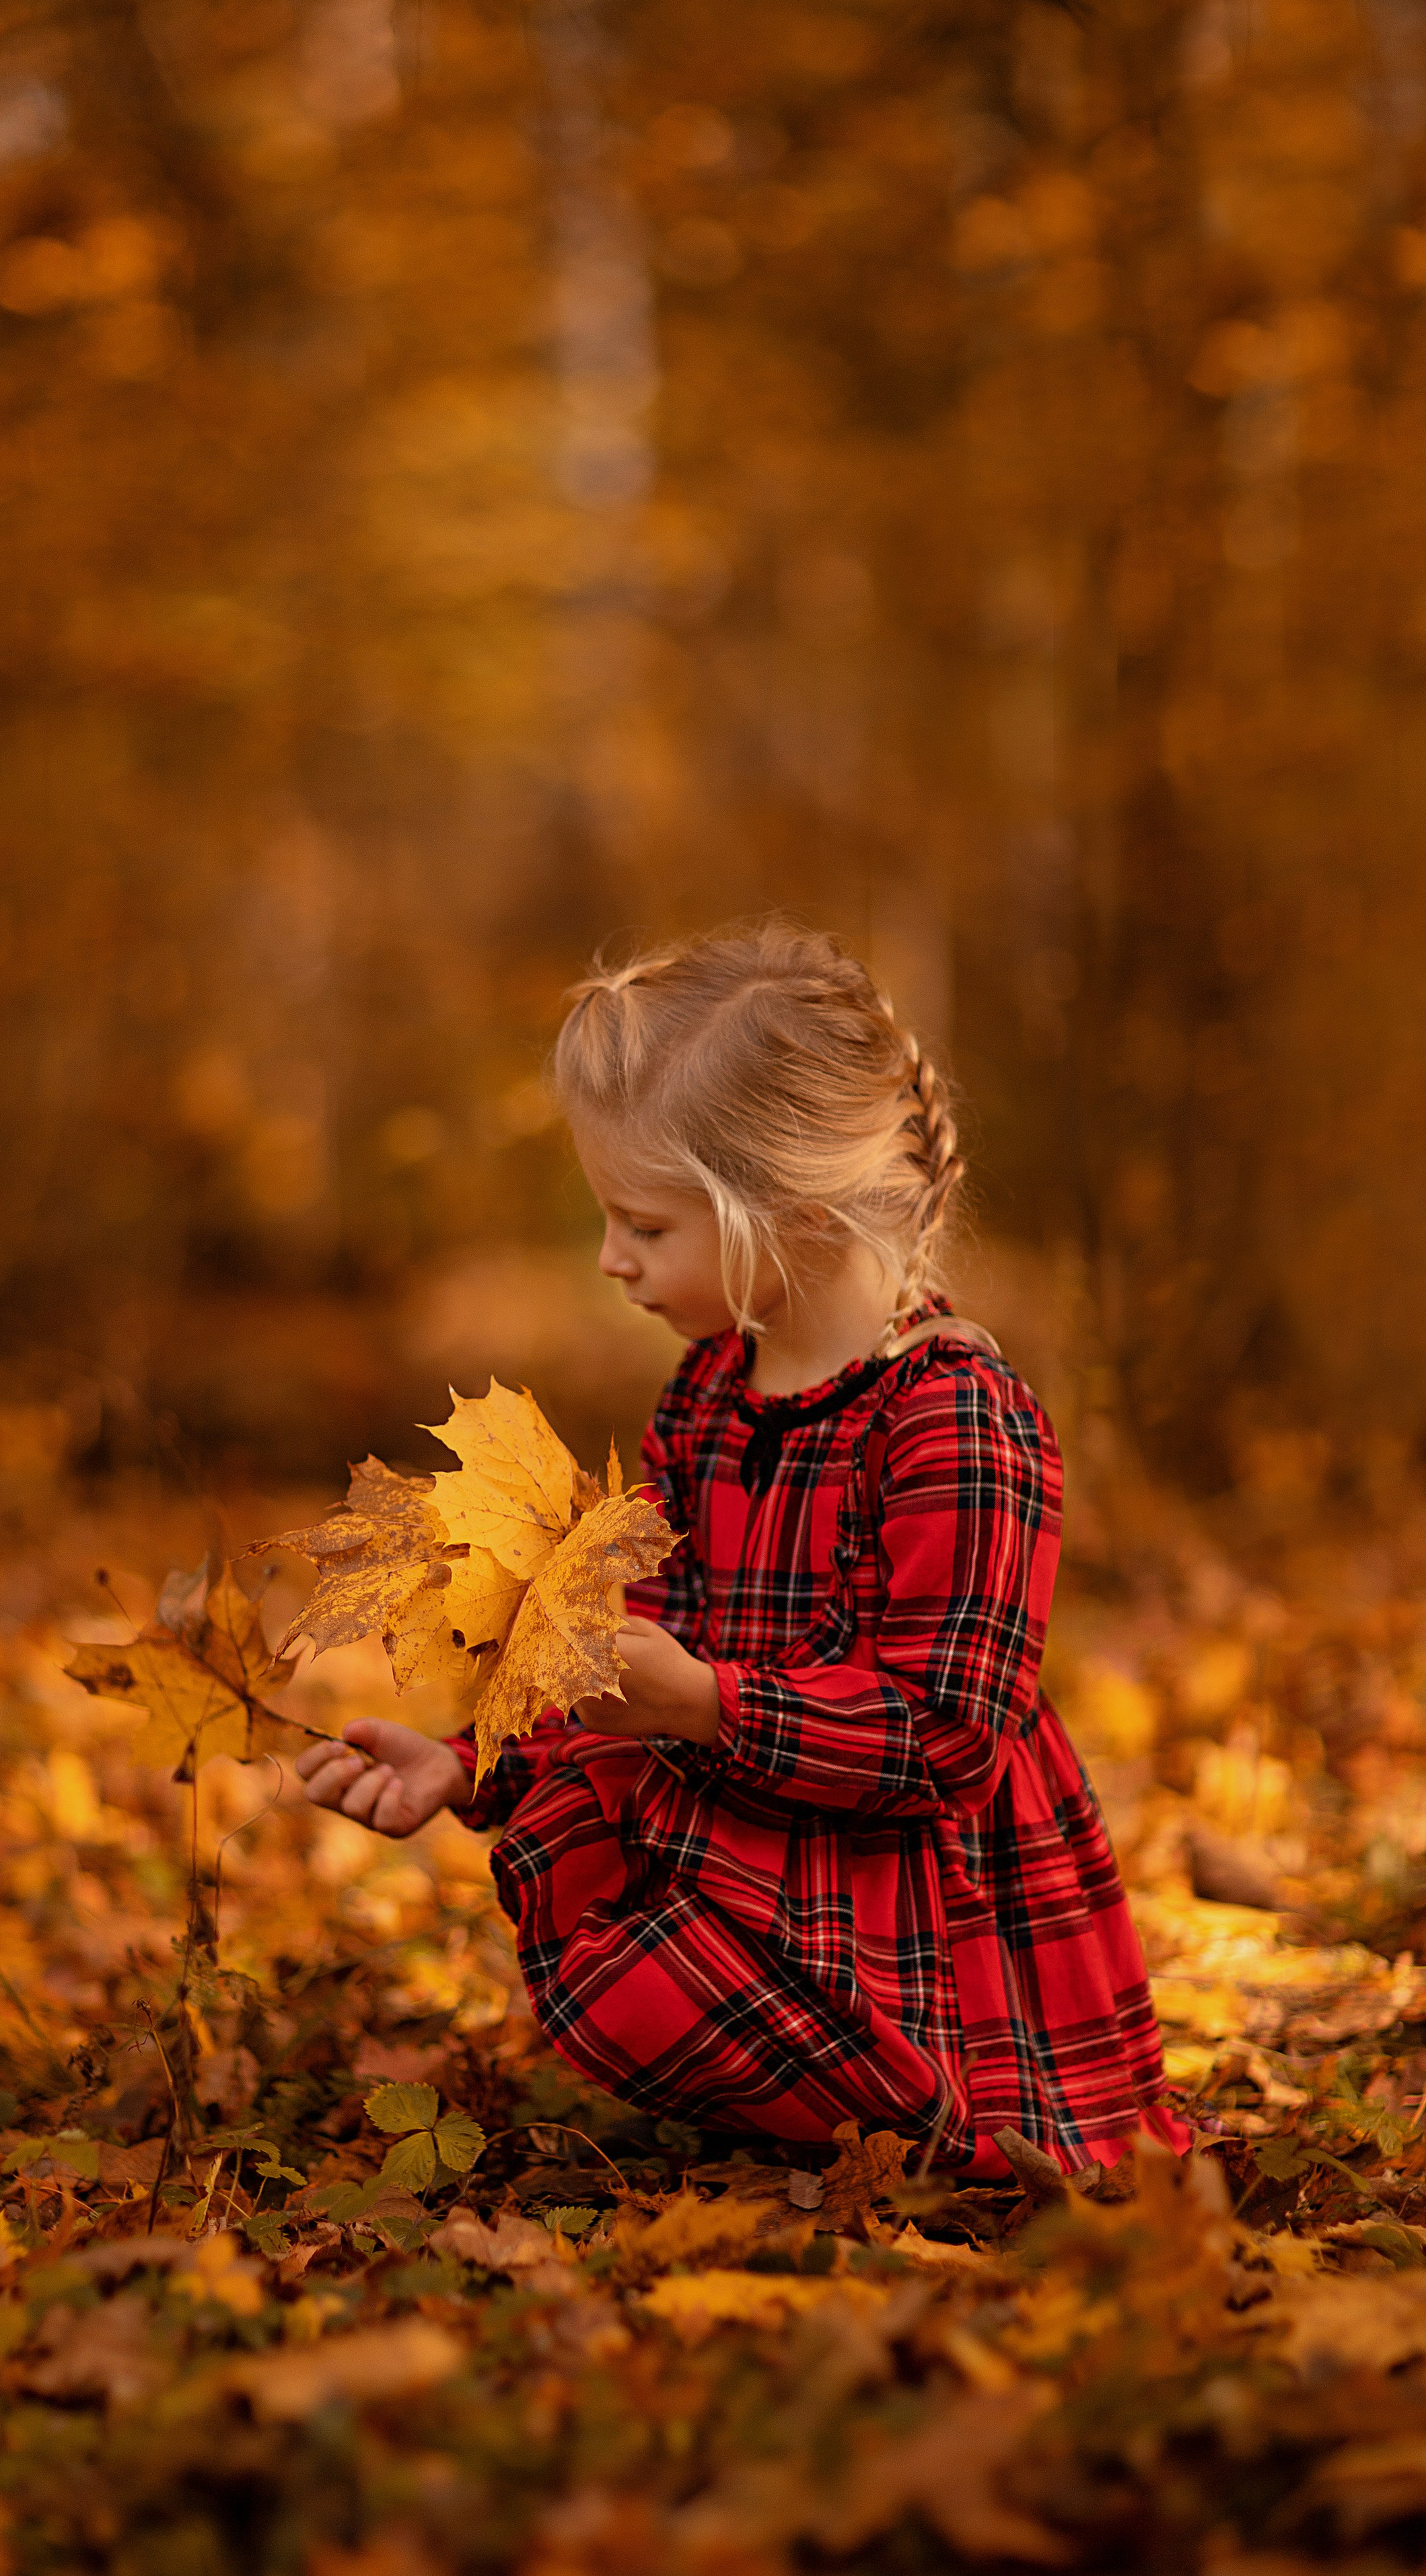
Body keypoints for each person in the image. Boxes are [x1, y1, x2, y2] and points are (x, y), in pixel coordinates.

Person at [296, 922, 1184, 2175]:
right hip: (761, 1822)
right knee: (613, 1966)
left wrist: (710, 1705)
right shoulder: (707, 1392)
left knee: (664, 1992)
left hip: (919, 1897)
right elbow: (617, 1648)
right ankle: (800, 2115)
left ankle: (925, 2107)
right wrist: (462, 1763)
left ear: (797, 1216)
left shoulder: (953, 1415)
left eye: (646, 1225)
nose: (611, 1258)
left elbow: (949, 1731)